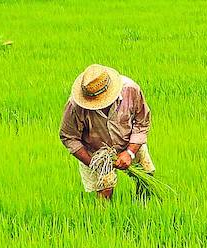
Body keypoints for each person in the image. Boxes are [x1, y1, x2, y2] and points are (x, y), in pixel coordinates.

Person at [59, 64, 154, 200]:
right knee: (104, 188)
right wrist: (94, 162)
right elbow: (68, 136)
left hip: (128, 142)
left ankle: (144, 209)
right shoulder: (75, 105)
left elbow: (142, 121)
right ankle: (103, 218)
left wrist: (130, 152)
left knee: (146, 176)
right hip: (95, 151)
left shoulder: (130, 90)